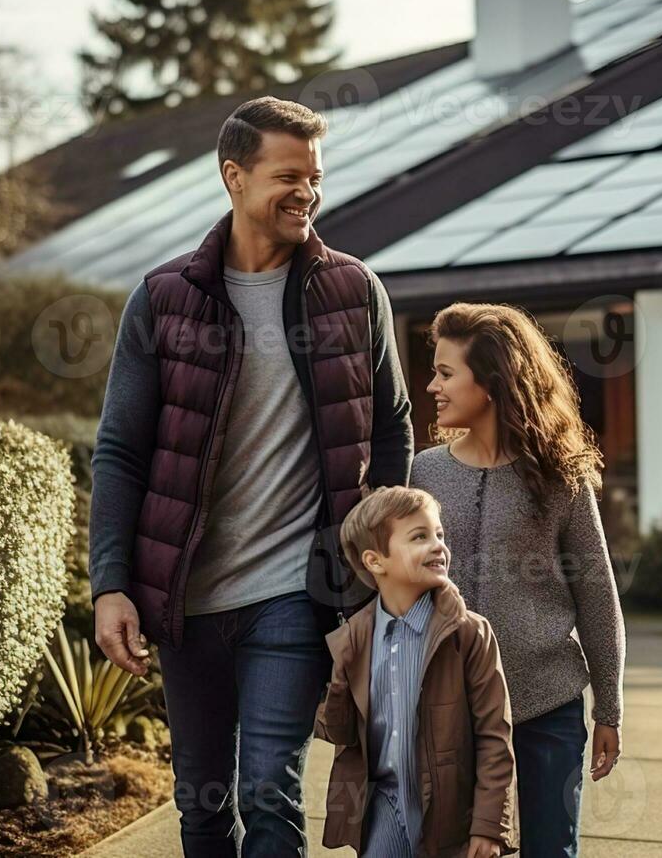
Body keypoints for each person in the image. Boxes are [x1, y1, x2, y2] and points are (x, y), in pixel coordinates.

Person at [88, 96, 414, 856]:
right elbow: (121, 451)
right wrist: (110, 584)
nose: (306, 191)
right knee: (201, 804)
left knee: (268, 787)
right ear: (233, 177)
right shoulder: (165, 298)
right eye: (287, 175)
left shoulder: (353, 291)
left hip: (294, 595)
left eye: (315, 176)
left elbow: (391, 425)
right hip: (185, 599)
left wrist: (374, 556)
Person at [409, 302, 626, 858]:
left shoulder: (559, 475)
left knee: (551, 849)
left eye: (445, 372)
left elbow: (597, 591)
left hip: (545, 704)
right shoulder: (420, 474)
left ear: (492, 381)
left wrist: (609, 708)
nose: (432, 385)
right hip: (447, 711)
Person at [315, 485, 518, 858]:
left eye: (440, 534)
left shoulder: (468, 634)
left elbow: (495, 737)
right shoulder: (354, 639)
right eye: (420, 537)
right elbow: (340, 733)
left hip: (450, 817)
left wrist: (490, 826)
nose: (438, 545)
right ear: (376, 561)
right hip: (385, 808)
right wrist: (337, 686)